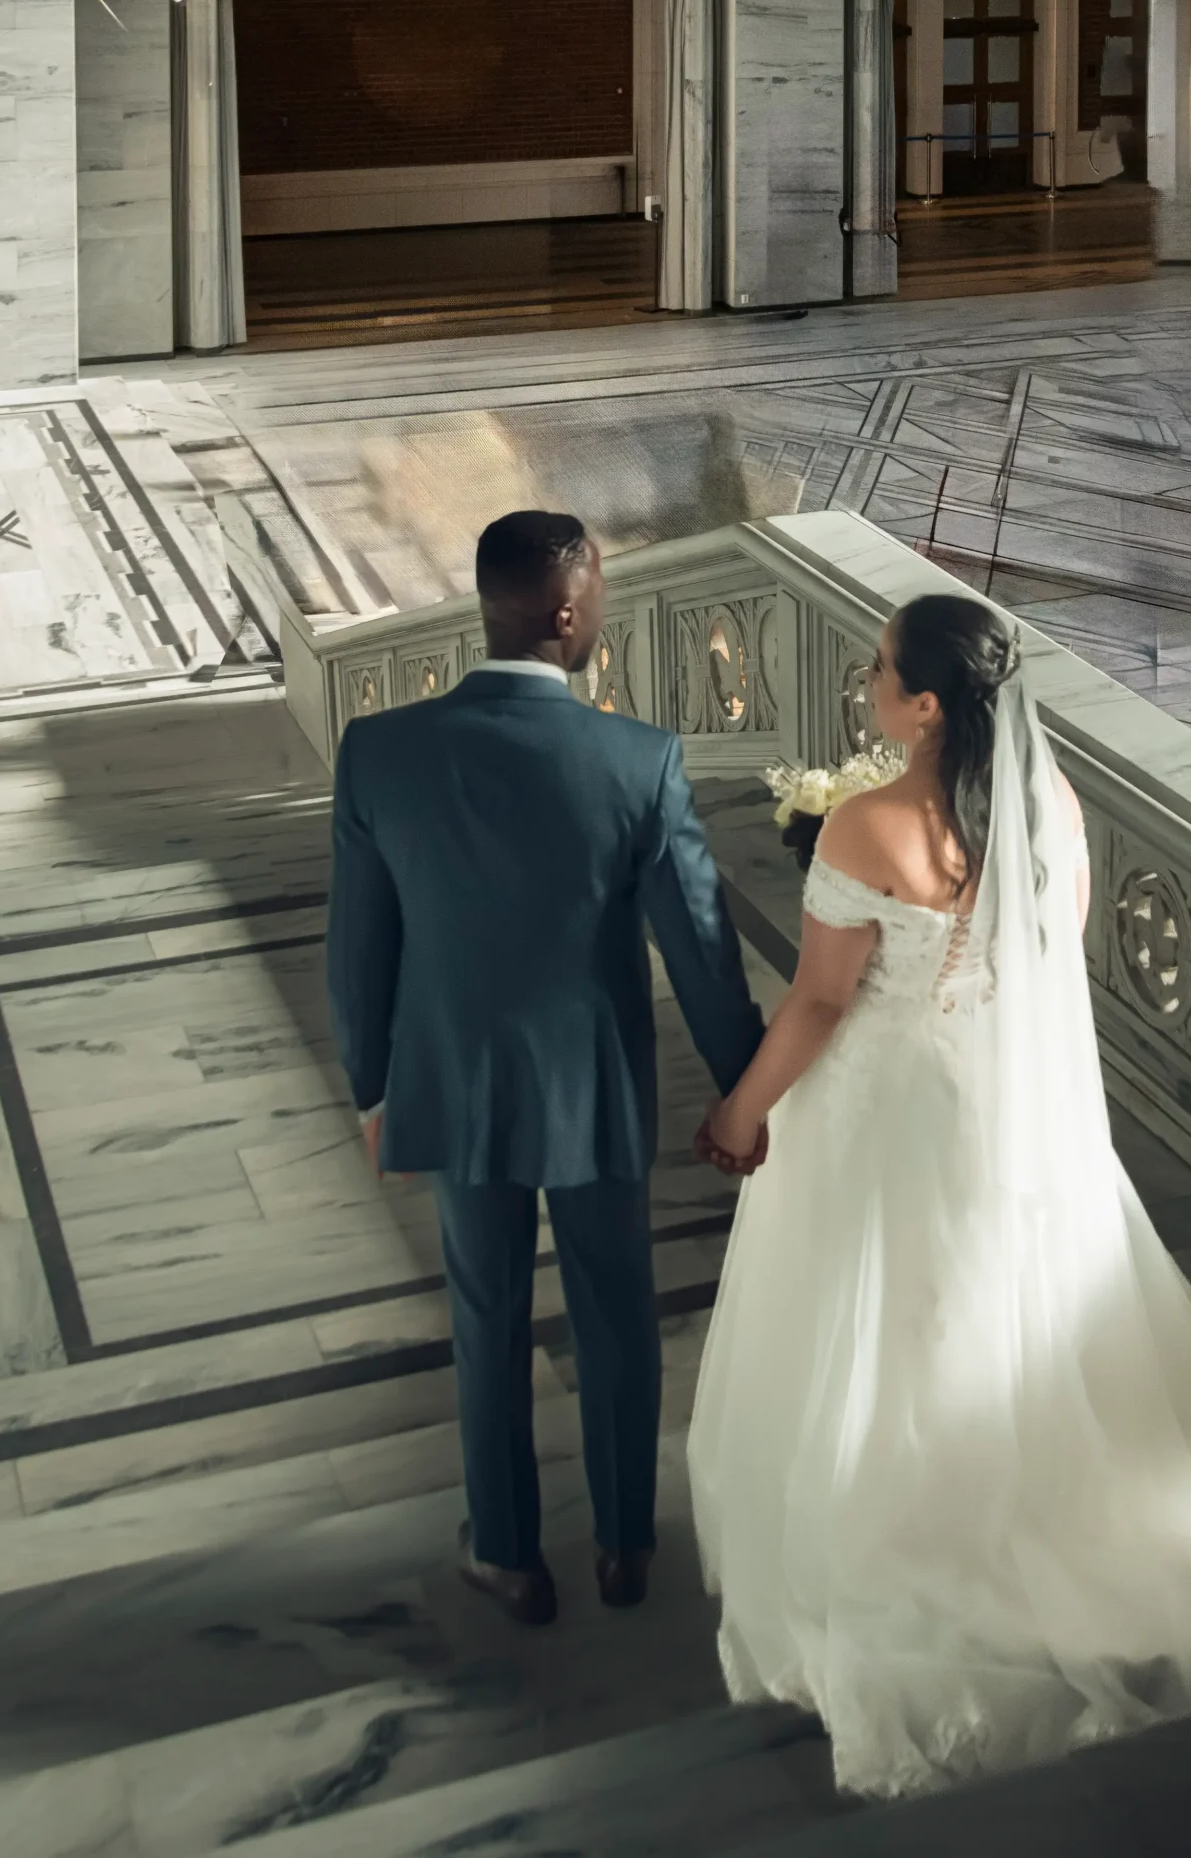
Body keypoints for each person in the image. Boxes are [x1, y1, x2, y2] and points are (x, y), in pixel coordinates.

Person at [688, 593, 1191, 1799]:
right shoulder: (1054, 810)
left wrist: (739, 1112)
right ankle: (1015, 1498)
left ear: (921, 706)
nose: (866, 680)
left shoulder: (864, 828)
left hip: (883, 1111)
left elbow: (816, 1004)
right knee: (986, 1305)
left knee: (882, 1318)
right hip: (1001, 1113)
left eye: (881, 669)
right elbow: (1037, 975)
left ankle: (904, 1533)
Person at [326, 511, 764, 1626]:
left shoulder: (381, 753)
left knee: (486, 1316)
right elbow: (703, 948)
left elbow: (358, 950)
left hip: (454, 1085)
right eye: (602, 590)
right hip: (592, 1091)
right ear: (569, 614)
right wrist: (748, 1085)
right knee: (617, 1312)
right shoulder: (640, 761)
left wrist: (373, 1088)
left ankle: (510, 1554)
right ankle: (625, 1543)